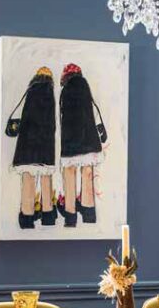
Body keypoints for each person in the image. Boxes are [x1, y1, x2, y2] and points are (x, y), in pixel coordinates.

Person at [58, 63, 107, 226]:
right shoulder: (85, 87)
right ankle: (89, 214)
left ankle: (70, 216)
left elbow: (61, 118)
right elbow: (95, 109)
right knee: (87, 174)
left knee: (69, 174)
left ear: (65, 77)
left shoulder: (64, 92)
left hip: (71, 140)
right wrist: (101, 130)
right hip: (89, 139)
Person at [11, 66, 57, 229]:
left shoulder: (30, 92)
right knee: (46, 178)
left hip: (27, 145)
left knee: (28, 179)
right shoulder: (49, 94)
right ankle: (48, 216)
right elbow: (52, 124)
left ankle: (27, 217)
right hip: (45, 144)